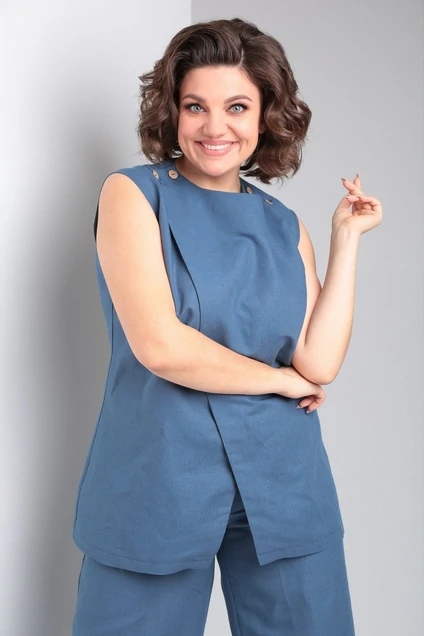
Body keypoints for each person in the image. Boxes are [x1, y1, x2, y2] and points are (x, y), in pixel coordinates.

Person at [71, 17, 382, 636]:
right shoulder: (132, 195)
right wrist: (279, 381)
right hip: (160, 470)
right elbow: (161, 346)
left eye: (237, 106)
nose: (215, 128)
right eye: (196, 106)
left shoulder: (283, 222)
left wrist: (345, 241)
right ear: (173, 112)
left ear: (266, 116)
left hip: (283, 472)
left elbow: (318, 363)